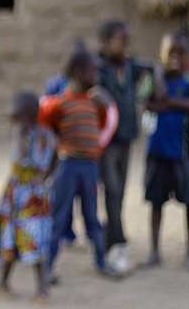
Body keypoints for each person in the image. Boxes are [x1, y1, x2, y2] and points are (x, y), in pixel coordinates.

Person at [39, 50, 122, 283]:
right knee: (59, 216)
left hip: (89, 167)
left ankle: (101, 262)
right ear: (78, 73)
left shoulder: (96, 103)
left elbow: (105, 125)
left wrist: (107, 105)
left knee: (92, 218)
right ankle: (48, 267)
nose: (97, 76)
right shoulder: (61, 103)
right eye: (93, 71)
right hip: (67, 166)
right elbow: (45, 122)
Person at [97, 20, 165, 271]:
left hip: (126, 139)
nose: (128, 46)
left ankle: (109, 238)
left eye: (130, 41)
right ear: (105, 44)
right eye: (122, 41)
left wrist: (157, 75)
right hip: (106, 142)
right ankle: (119, 243)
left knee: (120, 193)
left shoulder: (130, 65)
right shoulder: (97, 68)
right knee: (112, 190)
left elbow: (153, 65)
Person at [139, 32, 189, 270]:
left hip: (183, 153)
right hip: (157, 152)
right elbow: (145, 103)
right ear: (161, 56)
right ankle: (154, 251)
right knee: (155, 202)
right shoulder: (153, 79)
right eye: (170, 53)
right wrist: (176, 102)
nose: (175, 58)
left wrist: (167, 103)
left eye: (180, 53)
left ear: (187, 56)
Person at [0, 92, 56, 304]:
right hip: (15, 198)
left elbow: (29, 155)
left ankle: (42, 289)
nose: (12, 124)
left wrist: (45, 179)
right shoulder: (38, 134)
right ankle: (3, 282)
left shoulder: (40, 135)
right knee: (10, 242)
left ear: (26, 118)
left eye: (15, 119)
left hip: (33, 199)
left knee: (38, 243)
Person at [43, 38, 88, 248]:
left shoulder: (89, 87)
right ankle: (62, 231)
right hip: (61, 147)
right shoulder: (55, 85)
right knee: (61, 192)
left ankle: (70, 231)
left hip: (80, 148)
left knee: (78, 193)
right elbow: (47, 115)